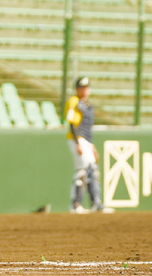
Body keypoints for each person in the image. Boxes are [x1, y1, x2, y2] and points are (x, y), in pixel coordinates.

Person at [64, 76, 114, 214]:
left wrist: (91, 145)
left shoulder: (87, 104)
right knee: (82, 170)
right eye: (81, 87)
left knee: (92, 169)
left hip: (85, 140)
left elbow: (87, 127)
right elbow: (72, 123)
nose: (84, 90)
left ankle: (96, 203)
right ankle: (75, 204)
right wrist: (78, 142)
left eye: (86, 87)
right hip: (77, 139)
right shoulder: (74, 102)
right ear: (76, 89)